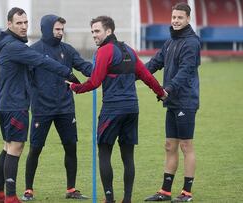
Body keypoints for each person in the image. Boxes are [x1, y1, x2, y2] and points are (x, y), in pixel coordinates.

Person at [67, 16, 168, 203]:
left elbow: (95, 81)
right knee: (128, 156)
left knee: (104, 151)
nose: (94, 35)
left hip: (112, 110)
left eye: (97, 31)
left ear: (109, 31)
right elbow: (146, 75)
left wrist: (75, 88)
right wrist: (161, 93)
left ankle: (109, 199)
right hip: (132, 109)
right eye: (92, 32)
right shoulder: (129, 50)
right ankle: (127, 200)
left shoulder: (104, 51)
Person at [0, 7, 81, 203]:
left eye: (25, 23)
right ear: (9, 24)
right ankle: (11, 197)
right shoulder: (16, 47)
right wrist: (68, 73)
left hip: (6, 102)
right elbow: (42, 61)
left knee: (7, 147)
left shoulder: (8, 44)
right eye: (19, 23)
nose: (23, 27)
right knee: (15, 148)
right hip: (15, 104)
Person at [21, 14, 92, 201]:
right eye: (57, 29)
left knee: (71, 148)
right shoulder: (33, 51)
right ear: (46, 29)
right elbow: (25, 80)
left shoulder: (67, 50)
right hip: (41, 109)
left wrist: (103, 70)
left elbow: (84, 67)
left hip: (65, 108)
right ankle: (28, 190)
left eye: (62, 29)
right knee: (35, 149)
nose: (60, 33)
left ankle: (71, 189)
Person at [144, 2, 200, 203]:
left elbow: (185, 72)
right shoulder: (169, 42)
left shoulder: (192, 43)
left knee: (186, 146)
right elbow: (155, 63)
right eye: (174, 17)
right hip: (172, 101)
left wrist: (167, 89)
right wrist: (131, 74)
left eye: (180, 18)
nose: (175, 21)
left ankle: (187, 192)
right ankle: (165, 191)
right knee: (169, 145)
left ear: (188, 19)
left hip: (185, 101)